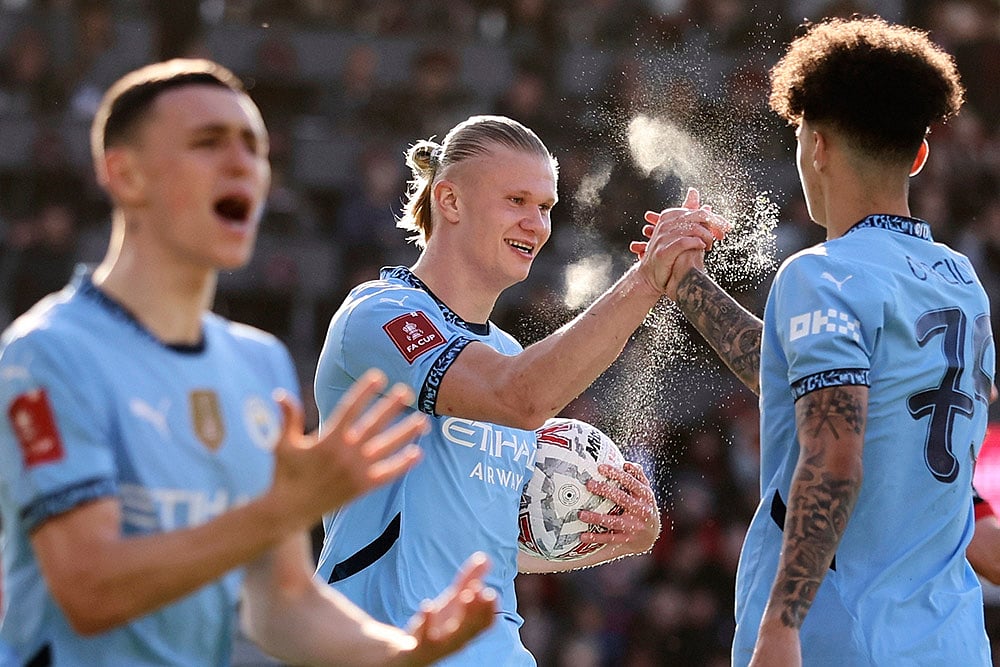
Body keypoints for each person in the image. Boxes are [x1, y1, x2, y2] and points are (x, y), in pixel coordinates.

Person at [0, 58, 498, 666]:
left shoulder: (257, 363)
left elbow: (282, 602)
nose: (242, 164)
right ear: (124, 175)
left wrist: (408, 652)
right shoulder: (48, 353)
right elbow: (88, 589)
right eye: (208, 143)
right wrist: (282, 509)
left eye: (254, 148)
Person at [639, 16, 993, 666]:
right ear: (917, 155)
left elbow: (834, 456)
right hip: (951, 642)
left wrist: (780, 622)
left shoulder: (823, 273)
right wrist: (688, 287)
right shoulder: (960, 282)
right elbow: (812, 382)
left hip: (839, 641)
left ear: (819, 147)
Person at [313, 114, 726, 664]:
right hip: (383, 650)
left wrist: (611, 538)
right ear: (450, 201)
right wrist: (646, 279)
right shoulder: (381, 316)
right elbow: (520, 398)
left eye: (546, 207)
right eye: (516, 200)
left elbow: (492, 545)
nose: (536, 223)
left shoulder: (508, 353)